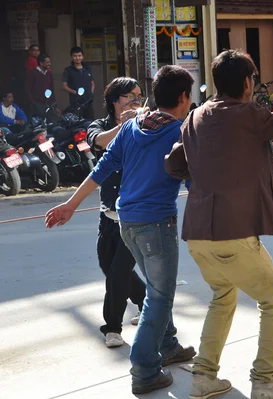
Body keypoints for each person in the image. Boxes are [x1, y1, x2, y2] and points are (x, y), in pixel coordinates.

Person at [164, 49, 273, 399]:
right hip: (233, 233)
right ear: (247, 82)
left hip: (197, 233)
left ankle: (203, 376)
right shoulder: (248, 115)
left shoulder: (195, 117)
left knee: (222, 296)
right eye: (253, 79)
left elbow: (173, 164)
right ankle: (265, 382)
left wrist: (204, 173)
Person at [45, 65, 197, 394]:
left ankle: (168, 345)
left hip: (126, 220)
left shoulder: (130, 128)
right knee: (159, 297)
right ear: (184, 98)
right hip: (156, 223)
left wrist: (70, 204)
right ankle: (144, 370)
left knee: (157, 291)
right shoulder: (179, 133)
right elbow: (193, 180)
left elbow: (102, 169)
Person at [86, 77, 148, 349]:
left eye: (138, 96)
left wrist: (139, 123)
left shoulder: (145, 125)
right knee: (108, 267)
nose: (136, 101)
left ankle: (112, 328)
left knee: (117, 275)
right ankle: (146, 301)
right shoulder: (100, 126)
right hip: (107, 215)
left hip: (134, 215)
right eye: (129, 97)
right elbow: (98, 142)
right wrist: (124, 125)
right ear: (115, 101)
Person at [62, 46, 94, 119]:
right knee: (77, 120)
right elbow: (64, 86)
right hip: (76, 100)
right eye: (75, 56)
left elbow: (92, 82)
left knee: (89, 120)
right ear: (72, 57)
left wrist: (91, 93)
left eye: (79, 56)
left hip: (88, 100)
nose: (77, 58)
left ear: (82, 56)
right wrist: (76, 93)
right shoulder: (68, 70)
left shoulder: (87, 68)